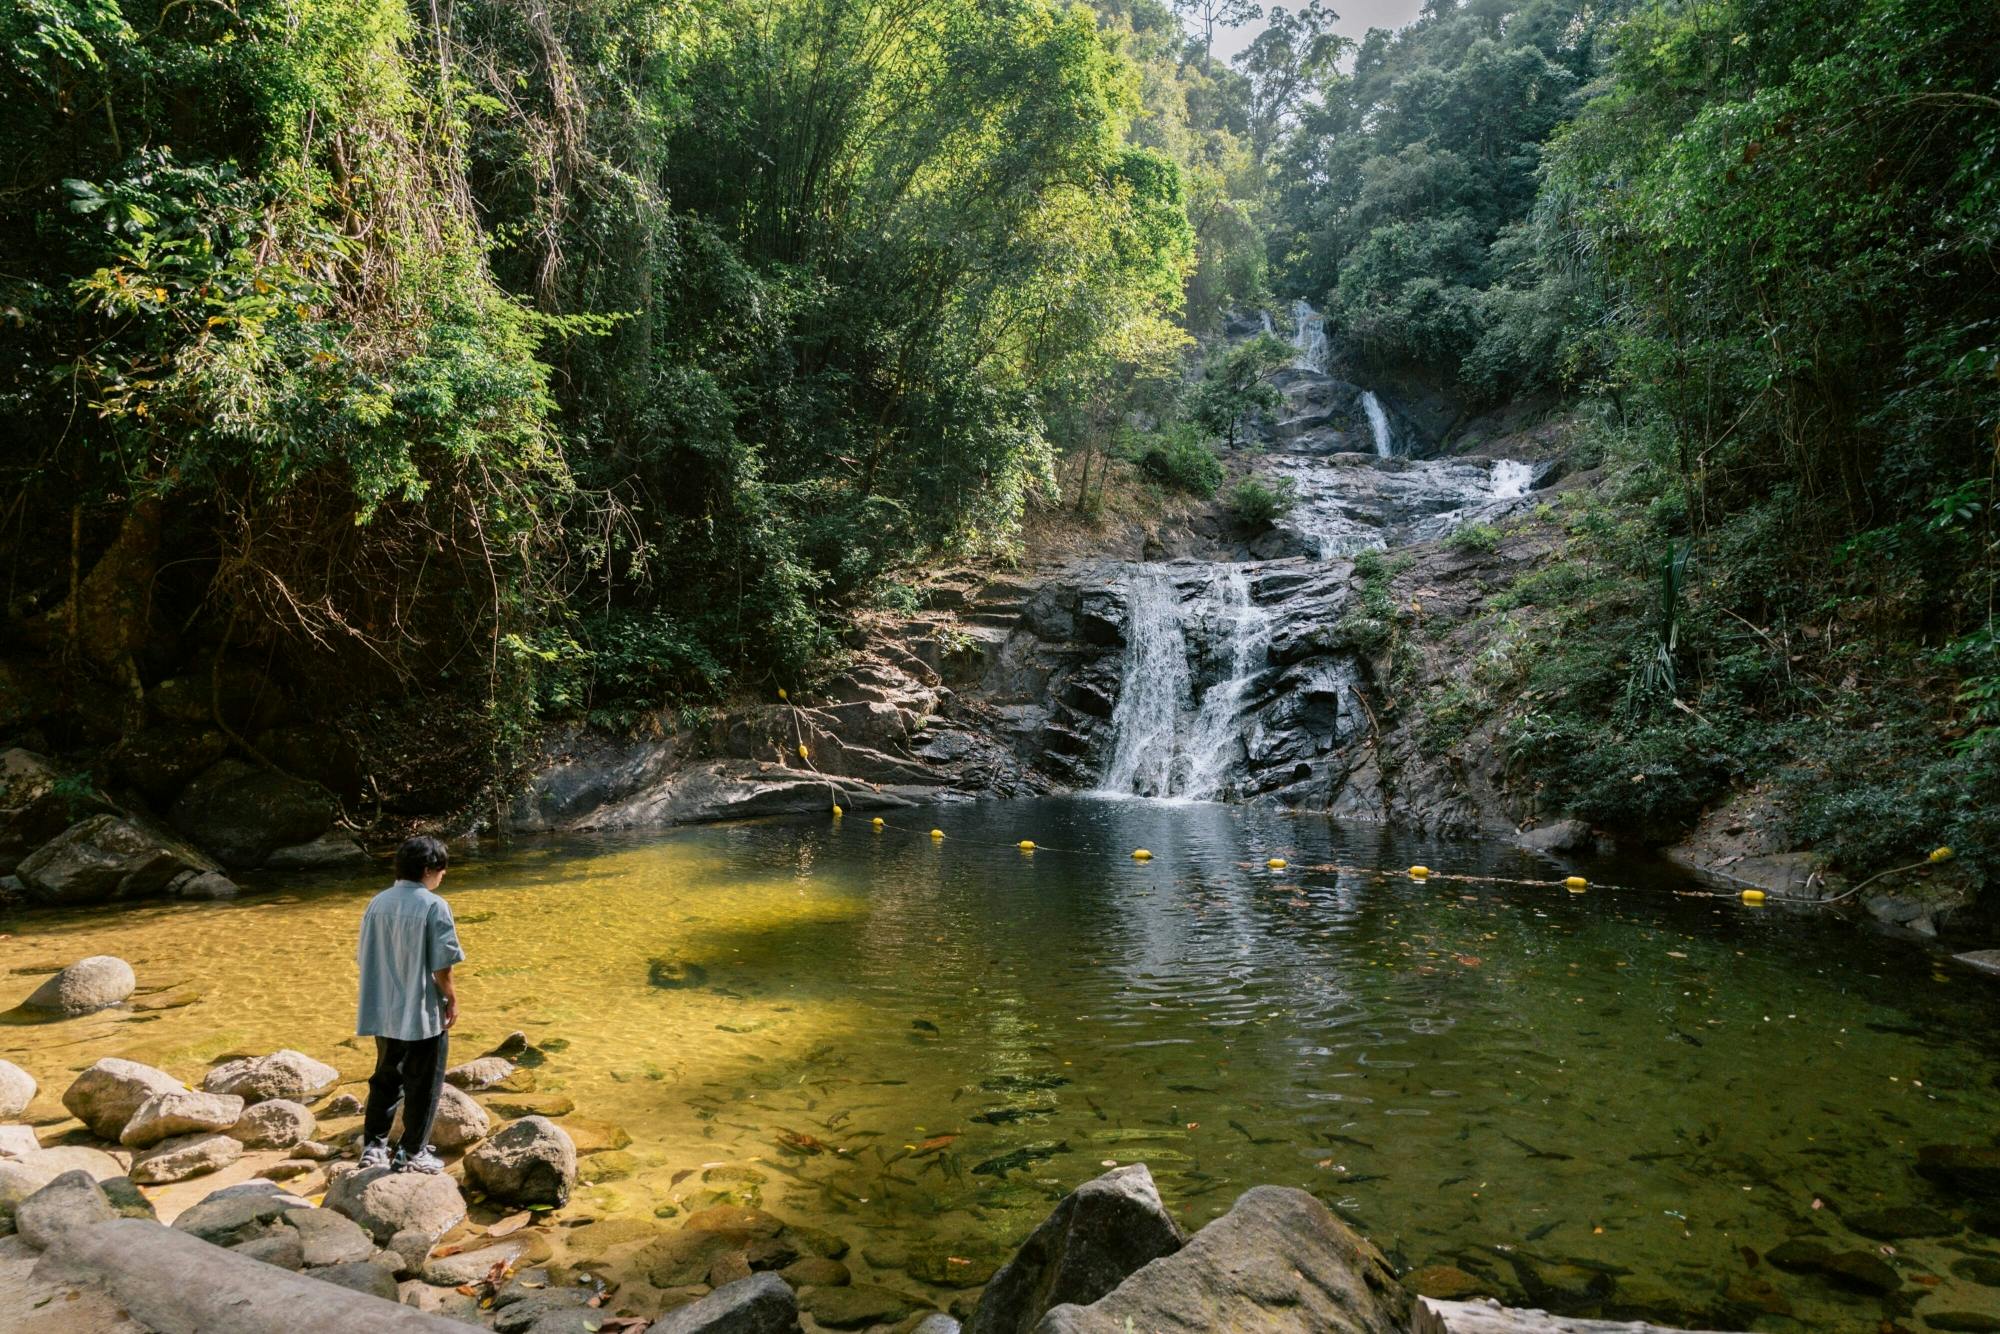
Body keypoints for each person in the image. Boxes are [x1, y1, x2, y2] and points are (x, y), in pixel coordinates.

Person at [355, 834, 465, 1173]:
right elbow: (441, 965)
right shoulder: (434, 905)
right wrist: (451, 998)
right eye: (442, 870)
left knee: (386, 1077)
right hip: (420, 1011)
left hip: (383, 1007)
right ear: (430, 869)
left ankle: (374, 1146)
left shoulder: (377, 902)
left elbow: (364, 956)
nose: (443, 876)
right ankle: (411, 1152)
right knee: (425, 1082)